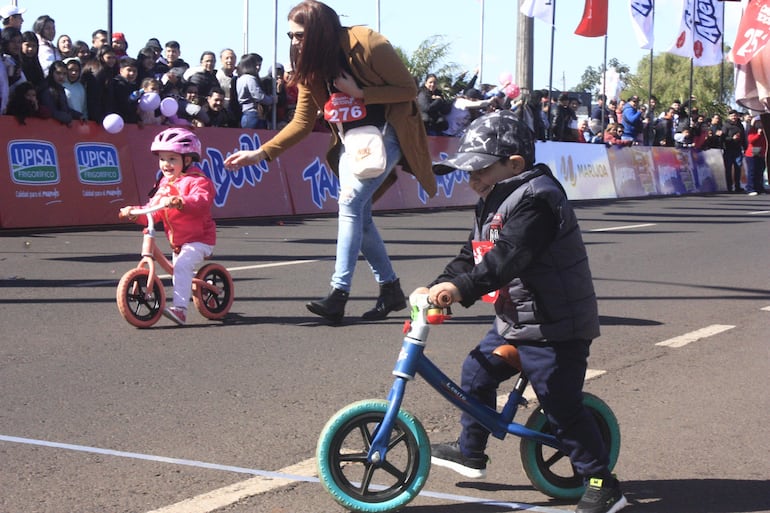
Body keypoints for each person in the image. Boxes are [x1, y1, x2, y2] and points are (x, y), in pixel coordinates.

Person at [424, 110, 627, 513]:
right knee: (476, 371)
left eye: (479, 169)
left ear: (513, 164)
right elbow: (473, 255)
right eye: (467, 172)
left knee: (559, 402)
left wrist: (460, 289)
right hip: (517, 320)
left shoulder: (537, 199)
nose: (471, 179)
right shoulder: (493, 200)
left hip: (555, 325)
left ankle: (603, 482)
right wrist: (438, 284)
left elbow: (507, 259)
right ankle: (470, 452)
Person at [223, 0, 436, 324]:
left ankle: (338, 294)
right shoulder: (307, 64)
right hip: (351, 140)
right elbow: (302, 122)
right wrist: (260, 153)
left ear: (320, 32)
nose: (293, 41)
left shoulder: (369, 43)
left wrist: (361, 92)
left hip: (389, 131)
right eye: (291, 35)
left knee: (350, 202)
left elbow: (408, 89)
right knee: (360, 214)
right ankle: (390, 289)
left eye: (299, 35)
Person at [118, 128, 216, 326]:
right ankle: (208, 290)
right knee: (179, 272)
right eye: (162, 159)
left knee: (180, 268)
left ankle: (180, 310)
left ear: (187, 160)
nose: (166, 164)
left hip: (200, 238)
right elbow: (153, 210)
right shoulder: (163, 184)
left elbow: (201, 201)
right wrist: (133, 212)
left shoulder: (198, 181)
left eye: (172, 159)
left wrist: (181, 202)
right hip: (179, 241)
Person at [235, 52, 274, 129]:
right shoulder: (250, 79)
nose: (257, 67)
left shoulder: (240, 78)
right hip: (253, 113)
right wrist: (272, 99)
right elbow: (259, 96)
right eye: (255, 65)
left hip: (246, 113)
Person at [722, 109, 748, 193]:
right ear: (729, 117)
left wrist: (745, 147)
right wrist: (731, 139)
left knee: (738, 168)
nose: (734, 117)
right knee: (728, 169)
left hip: (738, 150)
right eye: (732, 116)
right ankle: (729, 187)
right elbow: (723, 138)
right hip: (728, 149)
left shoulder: (740, 125)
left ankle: (737, 186)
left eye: (735, 115)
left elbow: (743, 137)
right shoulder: (726, 125)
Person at [744, 116, 767, 196]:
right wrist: (758, 134)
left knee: (760, 172)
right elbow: (751, 141)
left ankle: (759, 188)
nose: (760, 124)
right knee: (752, 172)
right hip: (752, 153)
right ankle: (750, 188)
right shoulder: (752, 130)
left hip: (761, 153)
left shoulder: (765, 131)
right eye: (758, 122)